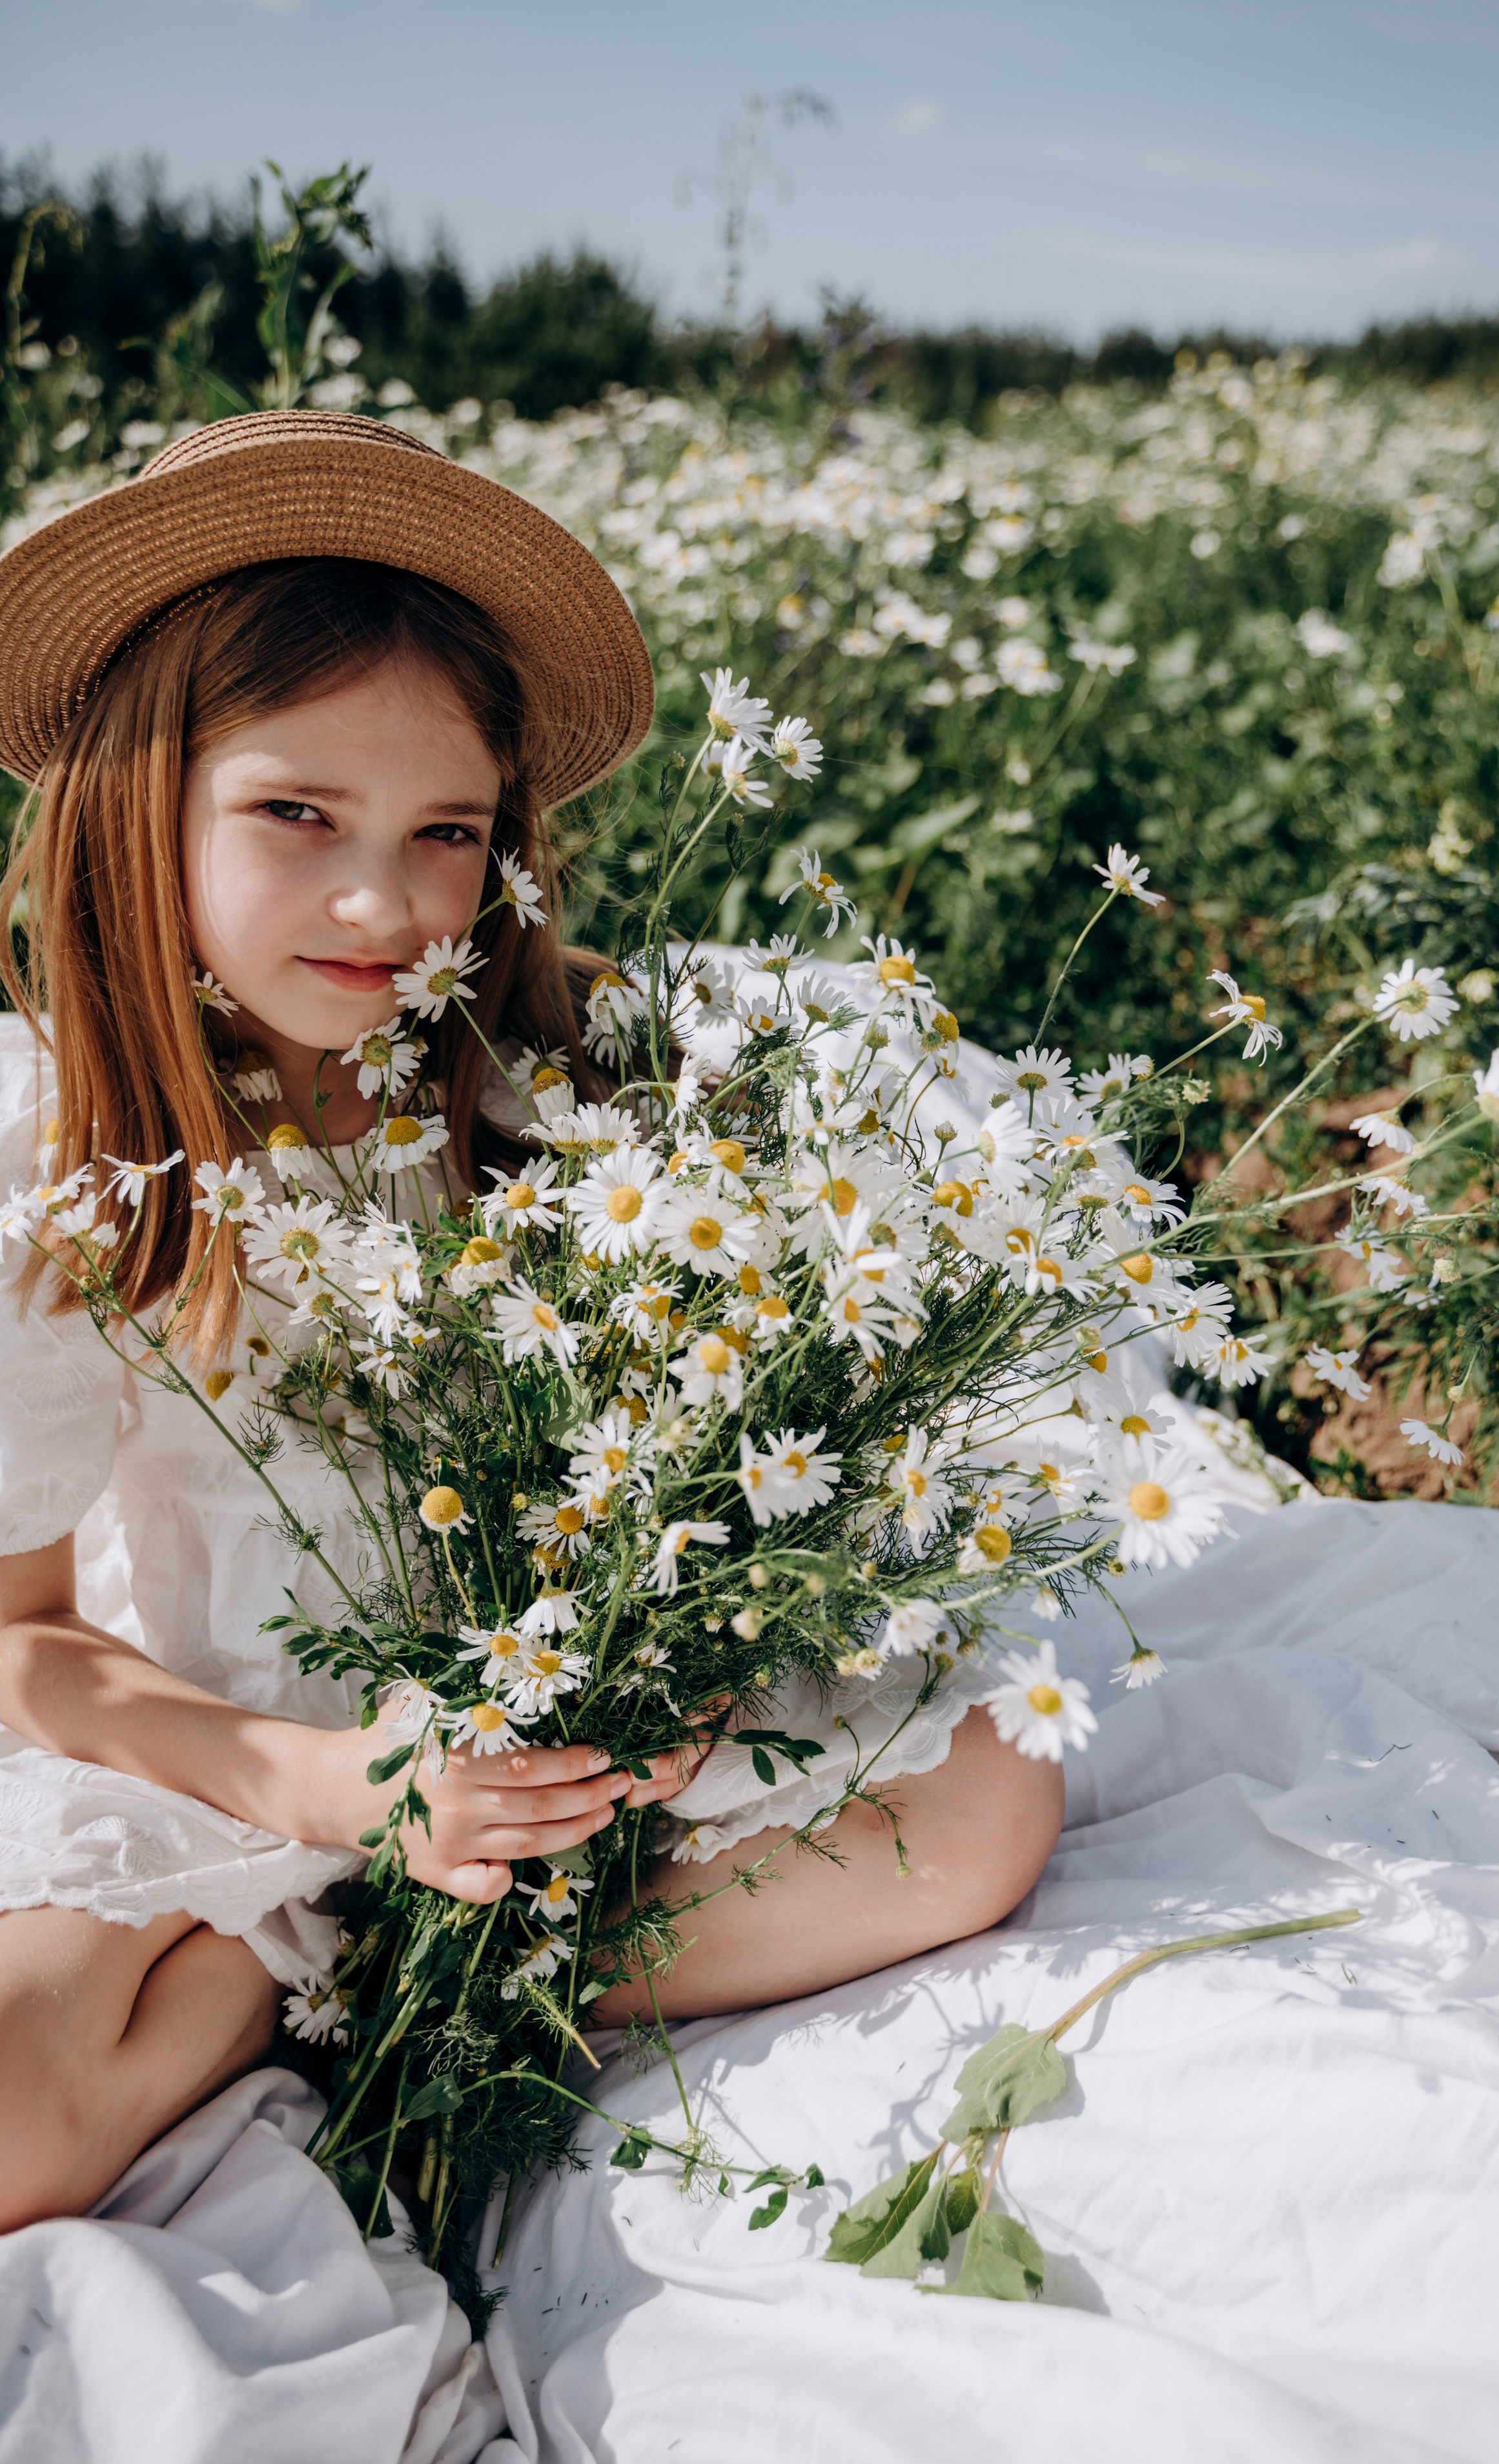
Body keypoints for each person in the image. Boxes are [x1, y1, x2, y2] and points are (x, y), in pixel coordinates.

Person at [0, 412, 1063, 2232]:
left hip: (555, 1741)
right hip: (256, 1761)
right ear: (137, 802)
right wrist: (337, 1785)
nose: (380, 902)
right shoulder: (60, 1158)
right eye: (294, 813)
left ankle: (462, 1988)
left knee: (987, 1803)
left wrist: (688, 1676)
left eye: (446, 835)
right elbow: (23, 1652)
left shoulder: (565, 1100)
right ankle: (313, 1973)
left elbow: (712, 1465)